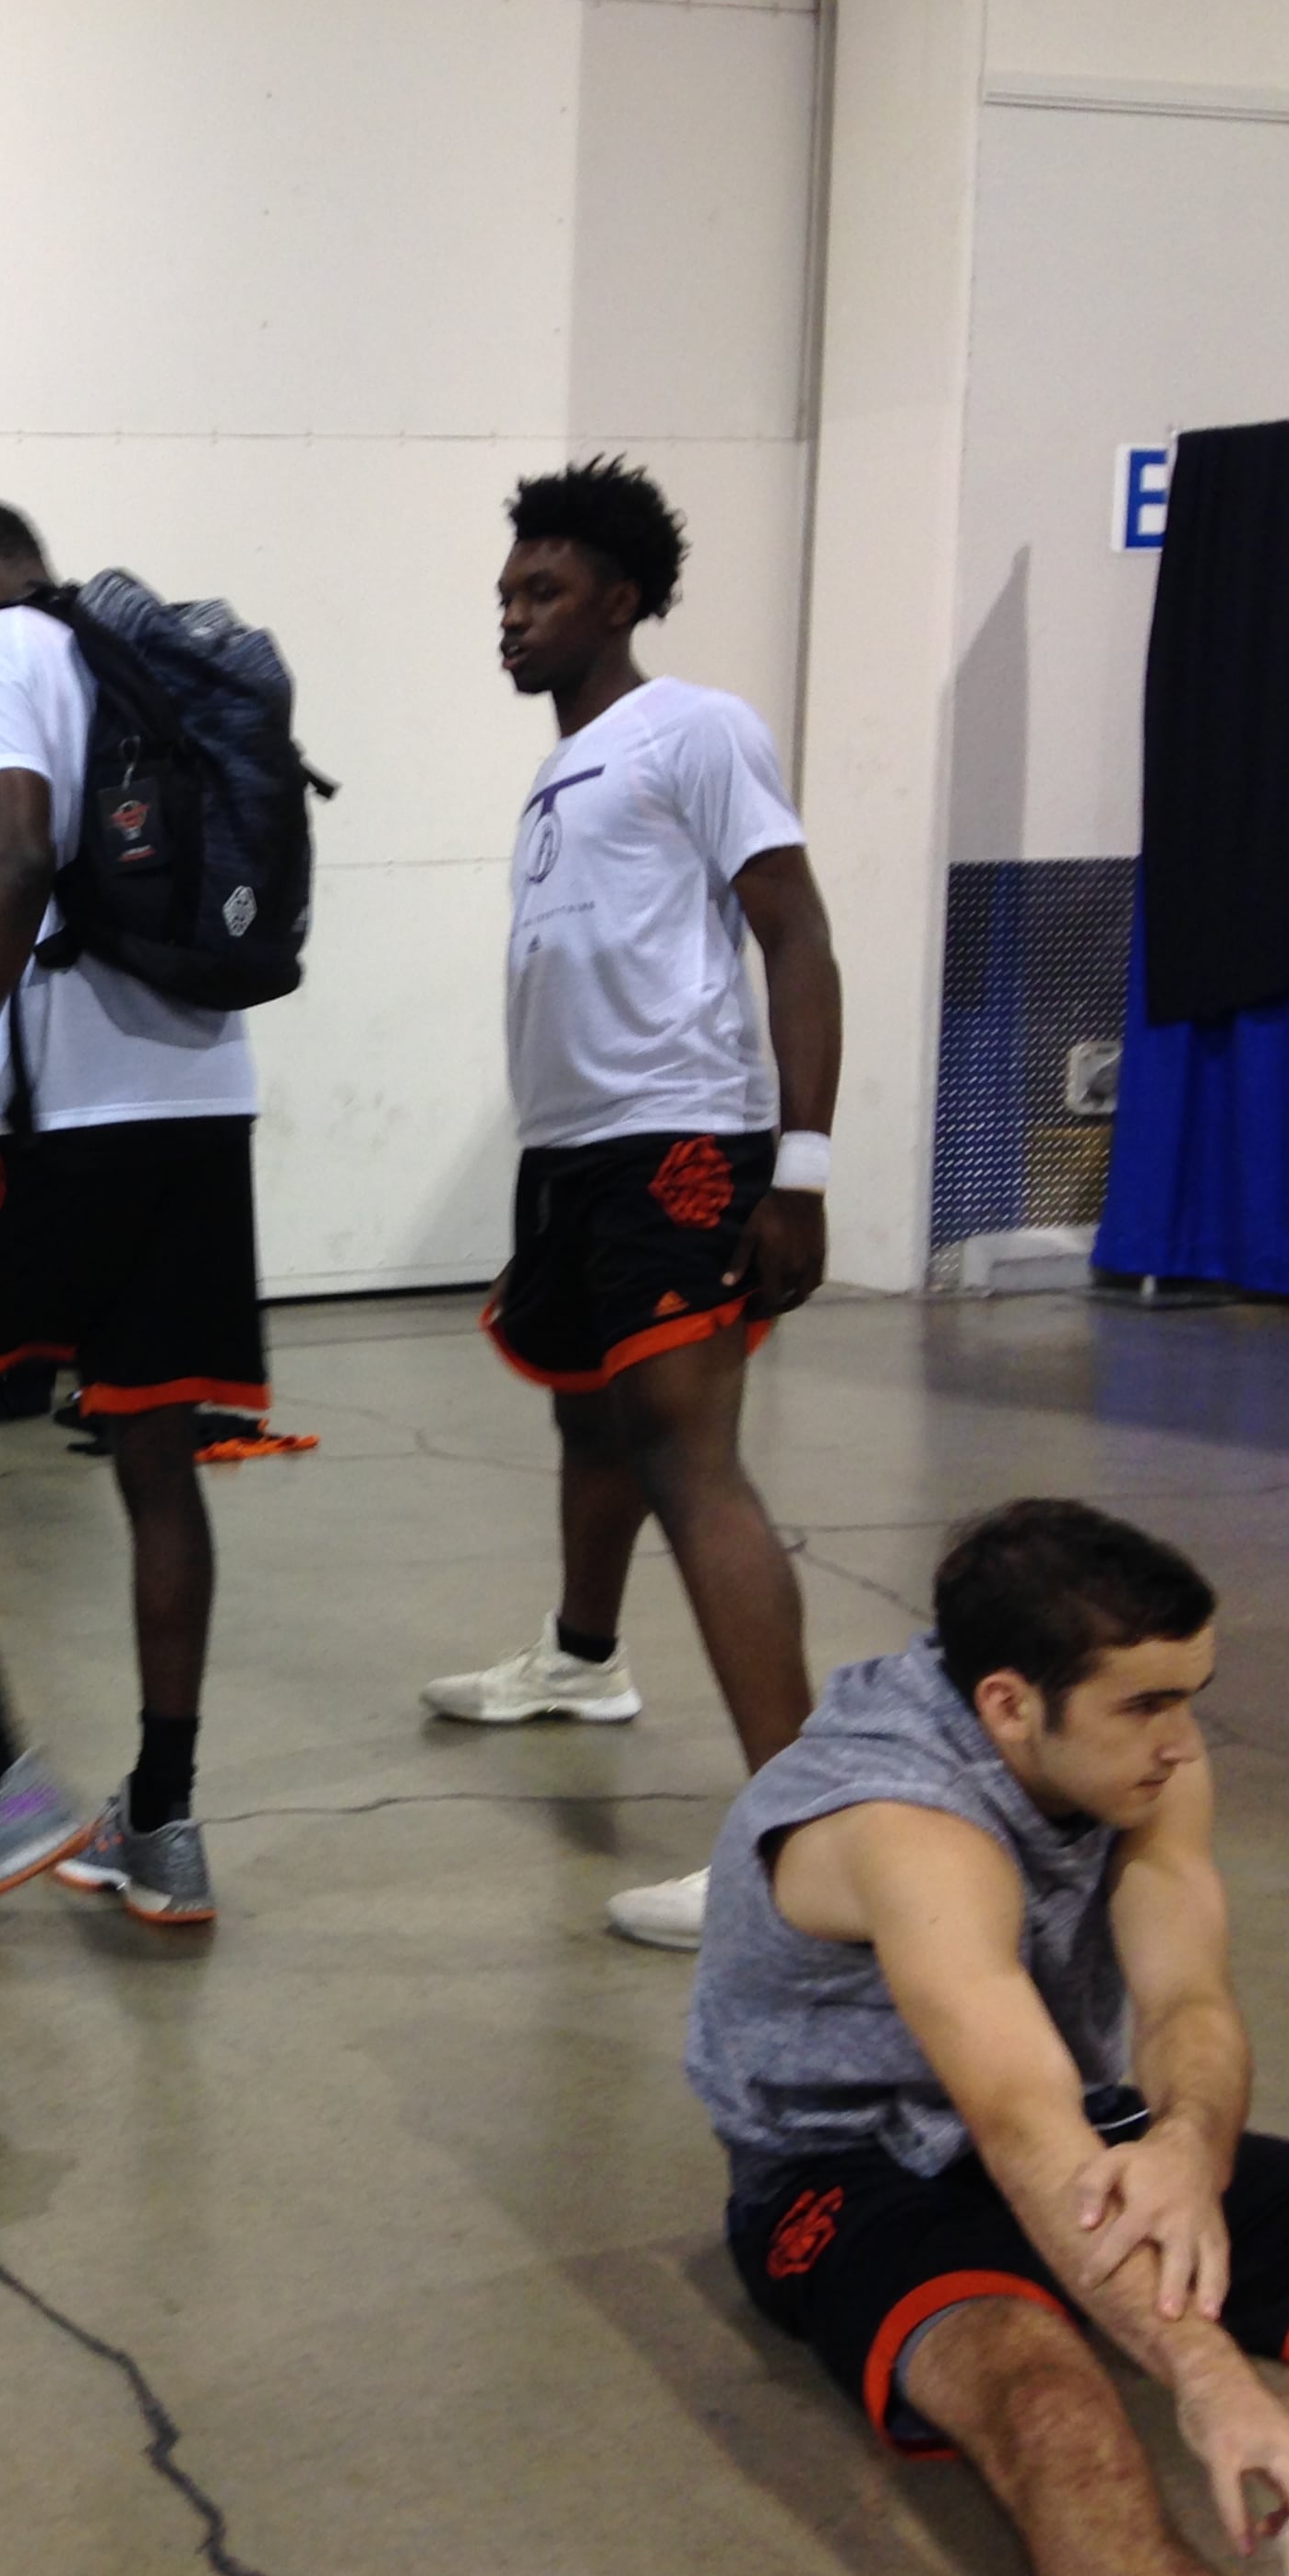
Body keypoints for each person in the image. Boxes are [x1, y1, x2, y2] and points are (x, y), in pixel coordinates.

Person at [689, 1502, 1289, 2576]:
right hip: (846, 2175)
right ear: (1009, 1704)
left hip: (1075, 2120)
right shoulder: (907, 1826)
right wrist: (1211, 2384)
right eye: (1146, 1707)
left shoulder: (1140, 1760)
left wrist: (1185, 2153)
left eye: (1189, 1698)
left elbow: (1186, 2001)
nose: (1182, 1742)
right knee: (1056, 2415)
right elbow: (1020, 2124)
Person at [419, 458, 844, 1950]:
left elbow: (794, 936)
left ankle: (805, 1852)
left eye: (542, 592)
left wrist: (800, 1167)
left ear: (619, 598)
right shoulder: (567, 760)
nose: (514, 618)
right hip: (576, 1148)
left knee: (684, 1449)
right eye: (505, 595)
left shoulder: (699, 728)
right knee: (589, 1417)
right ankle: (584, 1659)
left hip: (684, 1137)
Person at [0, 498, 269, 1929]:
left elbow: (17, 853)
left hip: (52, 1117)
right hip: (202, 1099)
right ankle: (161, 1820)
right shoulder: (142, 660)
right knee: (155, 1457)